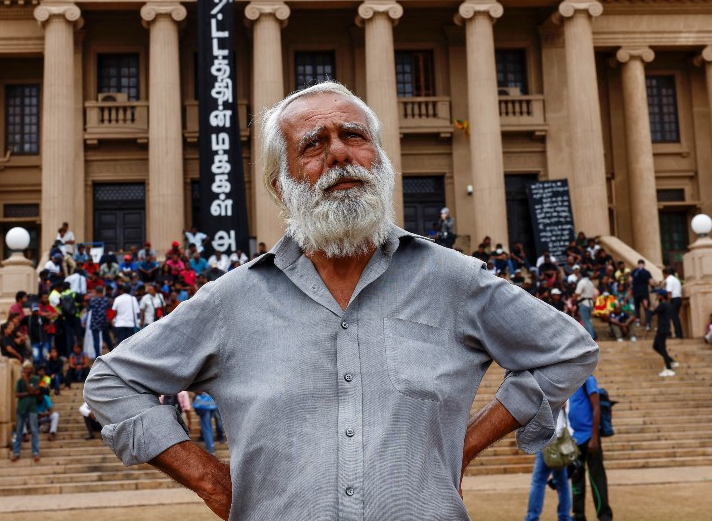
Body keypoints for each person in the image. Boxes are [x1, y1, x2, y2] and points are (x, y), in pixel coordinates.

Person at [85, 81, 597, 520]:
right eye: (313, 144)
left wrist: (461, 448)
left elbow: (567, 350)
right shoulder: (233, 299)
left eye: (354, 136)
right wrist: (210, 480)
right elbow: (112, 382)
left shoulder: (452, 279)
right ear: (280, 188)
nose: (339, 153)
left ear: (379, 159)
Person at [569, 375, 613, 521]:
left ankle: (604, 515)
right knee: (577, 478)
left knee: (596, 478)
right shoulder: (570, 380)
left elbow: (596, 407)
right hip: (575, 439)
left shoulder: (587, 379)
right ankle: (579, 514)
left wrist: (594, 437)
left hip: (590, 437)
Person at [523, 402, 572, 521]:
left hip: (548, 440)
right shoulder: (565, 389)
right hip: (560, 440)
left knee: (538, 481)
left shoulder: (551, 390)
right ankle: (565, 517)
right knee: (562, 482)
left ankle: (532, 517)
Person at [13, 361, 41, 462]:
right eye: (25, 369)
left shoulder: (36, 379)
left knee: (34, 430)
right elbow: (16, 394)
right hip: (21, 408)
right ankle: (16, 452)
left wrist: (26, 383)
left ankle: (35, 452)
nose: (27, 370)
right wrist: (29, 393)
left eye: (28, 368)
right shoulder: (19, 381)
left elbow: (35, 391)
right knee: (19, 431)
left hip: (32, 408)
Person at [651, 289, 678, 377]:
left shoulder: (663, 305)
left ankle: (669, 368)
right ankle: (670, 360)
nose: (657, 297)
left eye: (658, 295)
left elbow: (653, 312)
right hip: (663, 328)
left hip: (662, 329)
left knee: (662, 348)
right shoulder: (668, 304)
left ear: (661, 296)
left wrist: (650, 307)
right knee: (655, 346)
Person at [88, 285, 114, 354]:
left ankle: (97, 356)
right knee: (107, 338)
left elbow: (89, 307)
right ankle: (113, 352)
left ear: (96, 292)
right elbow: (109, 308)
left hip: (95, 322)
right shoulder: (106, 300)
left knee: (96, 340)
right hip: (104, 322)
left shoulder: (92, 300)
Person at [630, 259, 652, 330]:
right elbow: (650, 282)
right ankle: (648, 324)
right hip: (644, 292)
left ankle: (638, 321)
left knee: (637, 307)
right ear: (644, 264)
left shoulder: (634, 271)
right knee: (646, 307)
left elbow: (630, 281)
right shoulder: (647, 272)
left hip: (636, 292)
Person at [663, 266, 683, 339]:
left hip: (674, 299)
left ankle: (678, 335)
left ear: (666, 274)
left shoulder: (669, 280)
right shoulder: (675, 279)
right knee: (675, 317)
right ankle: (678, 334)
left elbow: (669, 293)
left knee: (674, 318)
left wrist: (668, 302)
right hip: (678, 299)